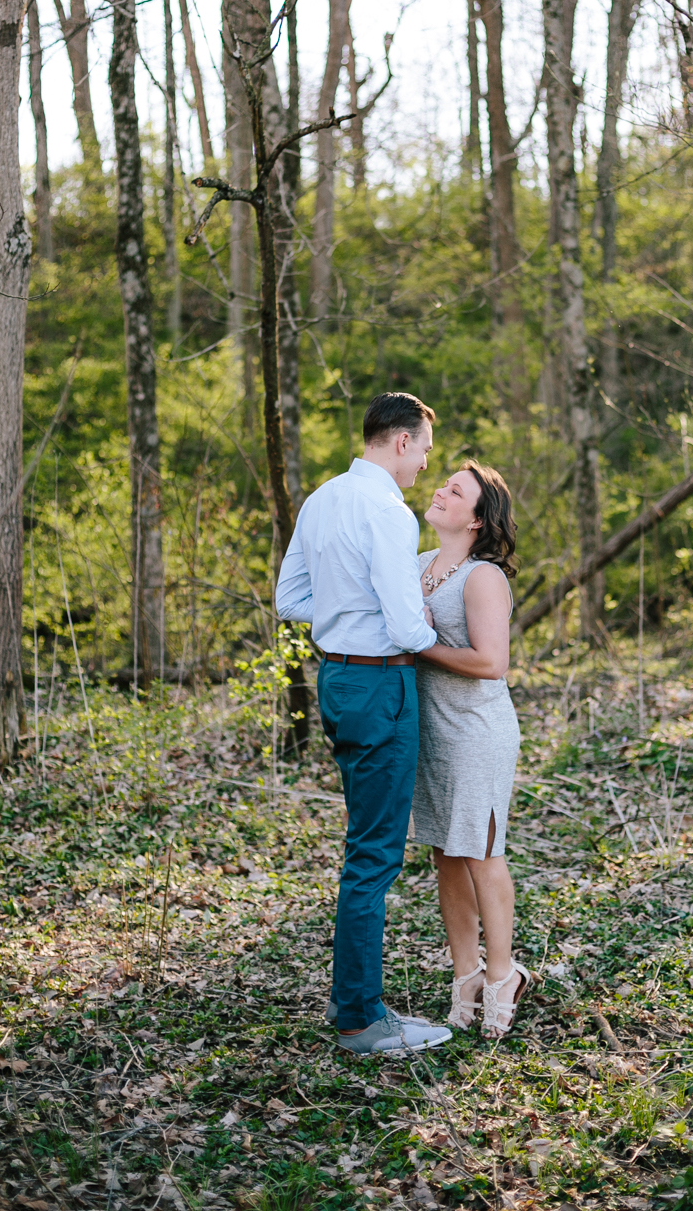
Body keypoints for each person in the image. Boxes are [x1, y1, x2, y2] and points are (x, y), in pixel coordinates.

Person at [275, 392, 452, 1055]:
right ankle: (361, 1017)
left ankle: (359, 1003)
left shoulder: (323, 499)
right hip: (381, 682)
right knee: (374, 852)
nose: (424, 464)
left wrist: (346, 608)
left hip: (338, 678)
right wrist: (436, 633)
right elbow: (408, 625)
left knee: (365, 843)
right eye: (425, 450)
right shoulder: (385, 510)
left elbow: (289, 599)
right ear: (400, 441)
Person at [411, 460, 530, 1039]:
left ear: (477, 520)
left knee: (482, 852)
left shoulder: (482, 577)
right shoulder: (416, 568)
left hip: (478, 733)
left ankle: (503, 975)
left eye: (455, 490)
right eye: (444, 483)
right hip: (431, 733)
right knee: (447, 854)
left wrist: (421, 644)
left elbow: (491, 663)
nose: (440, 490)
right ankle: (466, 977)